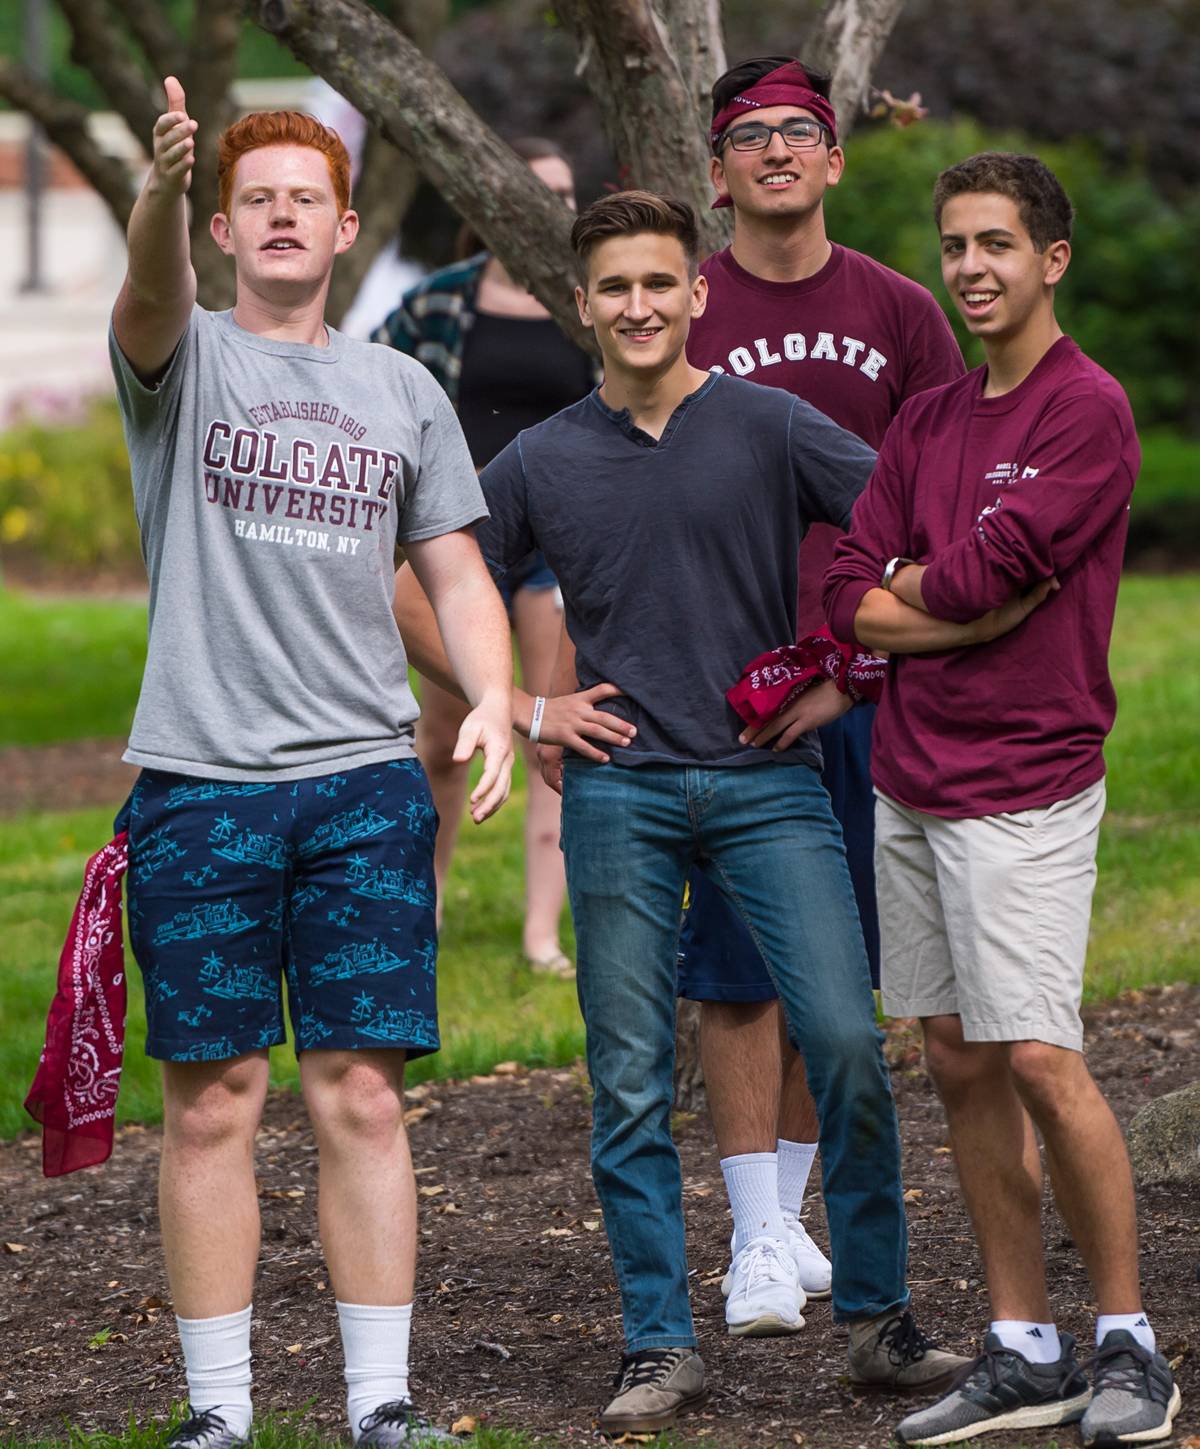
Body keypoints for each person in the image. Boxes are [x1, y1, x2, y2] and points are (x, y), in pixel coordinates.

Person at [476, 188, 982, 1436]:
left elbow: (913, 527)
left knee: (850, 1040)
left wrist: (845, 670)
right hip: (619, 795)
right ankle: (659, 1343)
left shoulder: (768, 424)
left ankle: (875, 1320)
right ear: (581, 304)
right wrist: (527, 711)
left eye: (661, 283)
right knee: (630, 1077)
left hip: (767, 784)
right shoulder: (541, 458)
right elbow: (419, 581)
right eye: (615, 288)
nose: (640, 306)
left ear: (696, 293)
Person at [109, 79, 513, 1447]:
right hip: (202, 788)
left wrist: (499, 693)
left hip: (364, 790)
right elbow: (147, 292)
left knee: (360, 1093)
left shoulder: (403, 387)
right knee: (213, 1102)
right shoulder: (186, 358)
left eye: (307, 200)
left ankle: (379, 1406)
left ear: (344, 229)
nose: (282, 216)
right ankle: (217, 1415)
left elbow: (454, 569)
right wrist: (158, 188)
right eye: (256, 200)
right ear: (225, 228)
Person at [824, 152, 1182, 1447]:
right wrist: (935, 597)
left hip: (1026, 780)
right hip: (911, 778)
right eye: (956, 245)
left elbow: (984, 579)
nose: (971, 267)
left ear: (1052, 261)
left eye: (996, 245)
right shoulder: (925, 420)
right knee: (958, 1058)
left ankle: (1130, 1345)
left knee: (1038, 1053)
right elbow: (849, 588)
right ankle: (1025, 1347)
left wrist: (930, 594)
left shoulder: (1087, 411)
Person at [674, 55, 967, 1330]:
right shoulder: (679, 308)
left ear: (837, 159)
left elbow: (946, 506)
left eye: (802, 133)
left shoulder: (902, 313)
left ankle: (784, 1222)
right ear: (721, 170)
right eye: (753, 137)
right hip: (721, 694)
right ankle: (749, 1238)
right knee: (739, 972)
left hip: (860, 689)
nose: (778, 152)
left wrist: (859, 671)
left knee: (834, 974)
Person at [376, 139, 597, 977]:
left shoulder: (584, 308)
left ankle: (541, 933)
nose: (551, 206)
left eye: (564, 192)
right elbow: (369, 388)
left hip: (556, 545)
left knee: (549, 726)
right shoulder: (439, 303)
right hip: (457, 539)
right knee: (444, 734)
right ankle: (424, 905)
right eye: (535, 190)